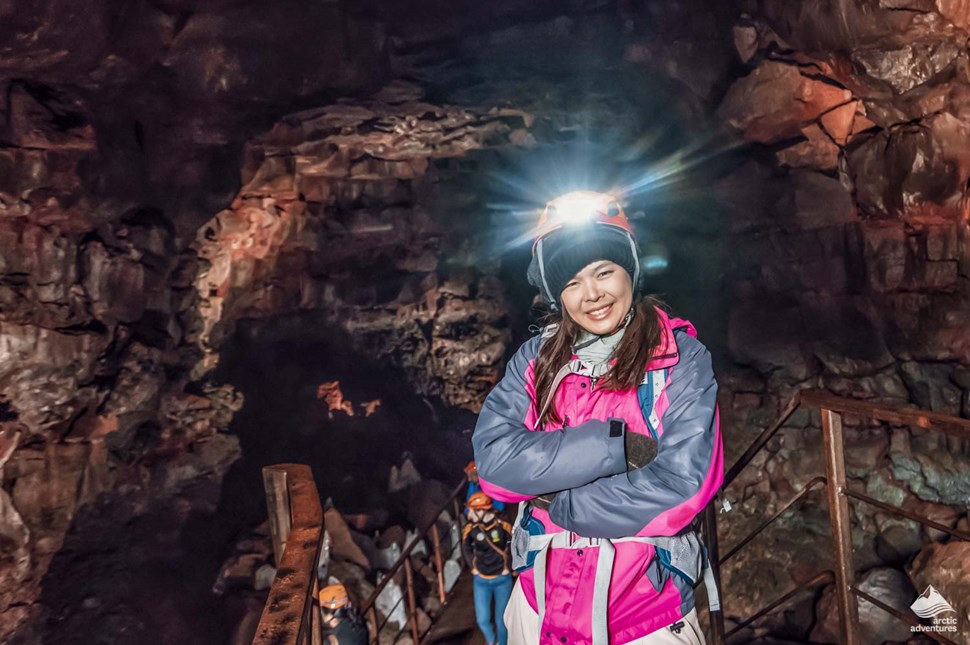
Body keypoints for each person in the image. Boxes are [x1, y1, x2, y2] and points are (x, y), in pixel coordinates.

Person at [472, 191, 723, 644]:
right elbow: (493, 464)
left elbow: (684, 484)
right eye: (570, 282)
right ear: (555, 294)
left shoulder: (680, 358)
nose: (591, 295)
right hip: (537, 606)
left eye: (603, 272)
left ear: (630, 270)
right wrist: (614, 448)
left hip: (643, 616)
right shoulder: (535, 359)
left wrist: (560, 502)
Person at [462, 491, 514, 645]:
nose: (468, 514)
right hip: (481, 580)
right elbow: (465, 547)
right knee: (482, 620)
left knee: (502, 620)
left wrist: (508, 566)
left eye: (471, 510)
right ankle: (492, 642)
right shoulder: (471, 528)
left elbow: (513, 544)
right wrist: (473, 566)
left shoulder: (502, 524)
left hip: (502, 579)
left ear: (481, 511)